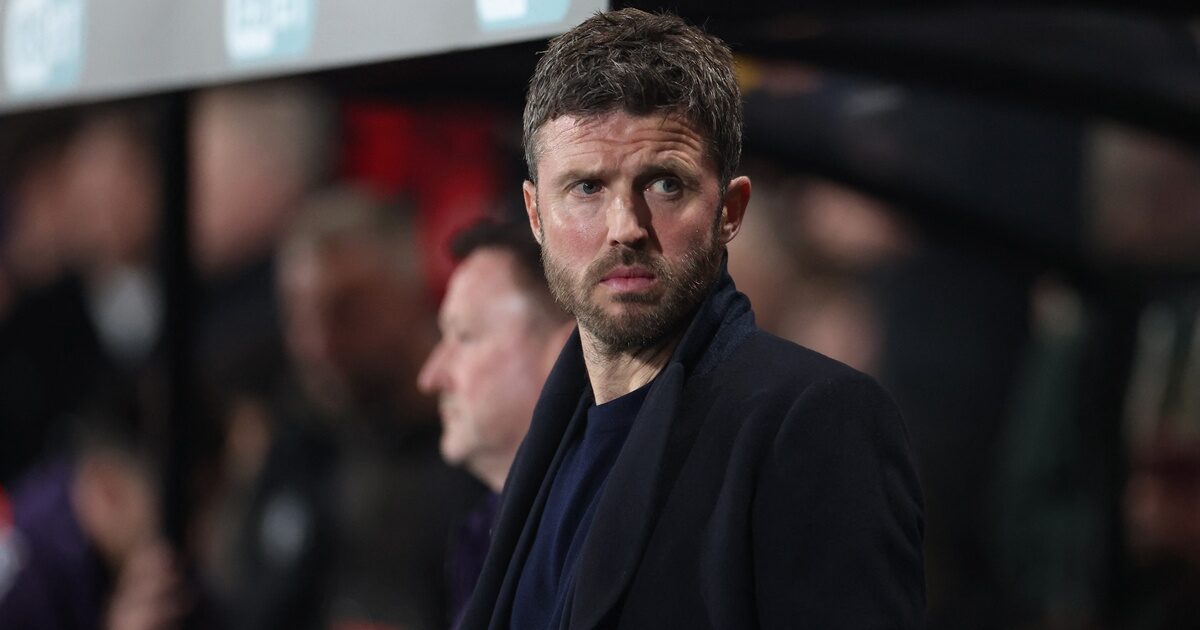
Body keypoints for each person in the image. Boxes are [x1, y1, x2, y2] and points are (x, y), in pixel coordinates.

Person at [458, 9, 926, 629]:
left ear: (730, 210)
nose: (625, 227)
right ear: (535, 214)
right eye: (587, 188)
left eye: (664, 185)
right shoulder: (546, 441)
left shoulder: (816, 421)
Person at [417, 220, 574, 628]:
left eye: (465, 336)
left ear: (565, 355)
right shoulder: (482, 534)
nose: (431, 377)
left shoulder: (599, 537)